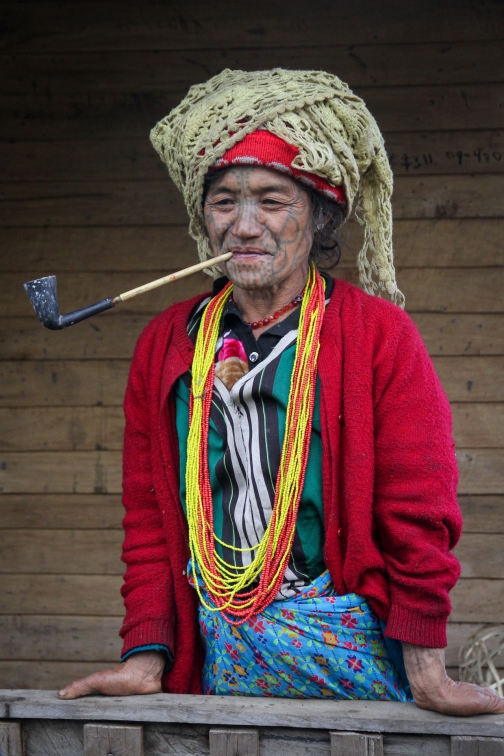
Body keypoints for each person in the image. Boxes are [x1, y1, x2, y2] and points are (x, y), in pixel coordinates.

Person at [58, 69, 504, 715]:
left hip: (348, 647)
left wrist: (429, 672)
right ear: (202, 217)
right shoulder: (167, 343)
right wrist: (147, 657)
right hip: (215, 654)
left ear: (320, 215)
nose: (243, 225)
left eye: (271, 200)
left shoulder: (376, 334)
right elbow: (150, 520)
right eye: (223, 202)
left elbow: (418, 507)